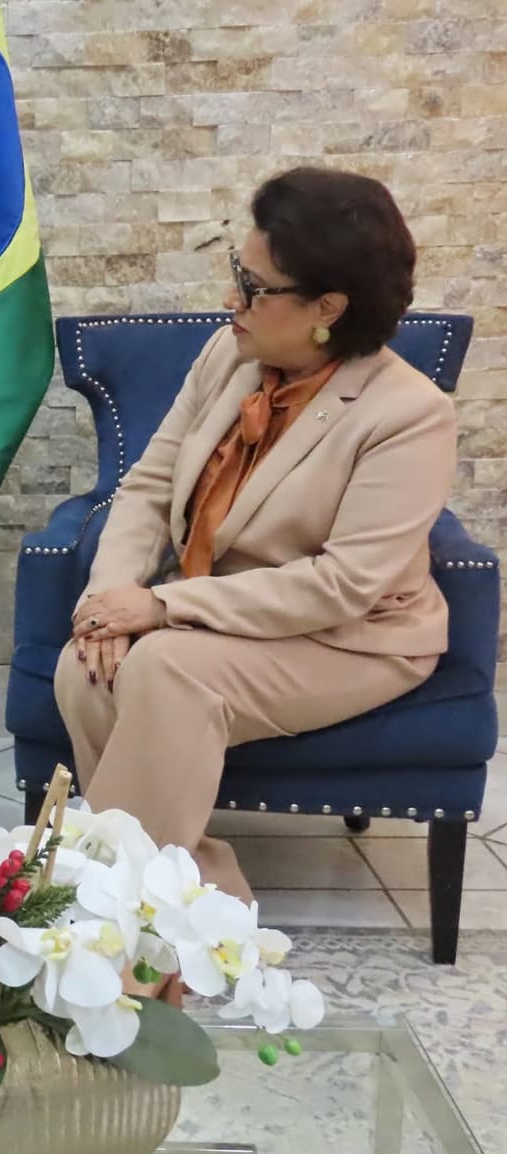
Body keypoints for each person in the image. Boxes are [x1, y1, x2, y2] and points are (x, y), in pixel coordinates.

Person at [55, 167, 455, 902]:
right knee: (85, 664)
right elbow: (145, 486)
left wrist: (165, 608)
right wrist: (111, 598)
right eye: (237, 273)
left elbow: (344, 585)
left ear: (327, 307)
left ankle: (99, 917)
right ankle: (194, 898)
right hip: (227, 612)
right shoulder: (228, 355)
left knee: (167, 670)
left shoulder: (408, 414)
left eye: (254, 285)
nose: (230, 299)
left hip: (349, 637)